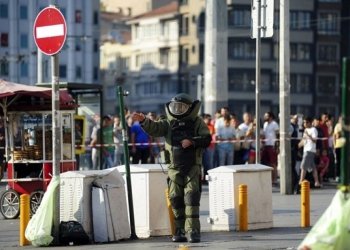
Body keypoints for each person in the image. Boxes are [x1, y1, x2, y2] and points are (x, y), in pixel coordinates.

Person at [132, 93, 211, 243]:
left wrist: (192, 142)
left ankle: (193, 231)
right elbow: (155, 129)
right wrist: (144, 121)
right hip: (174, 168)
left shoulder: (197, 122)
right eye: (176, 107)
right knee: (175, 199)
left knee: (191, 198)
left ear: (189, 108)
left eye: (182, 107)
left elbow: (206, 139)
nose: (178, 110)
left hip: (192, 167)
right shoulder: (168, 122)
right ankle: (179, 230)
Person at [298, 117, 321, 188]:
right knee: (313, 167)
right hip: (306, 149)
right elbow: (304, 140)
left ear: (310, 123)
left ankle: (301, 181)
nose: (304, 124)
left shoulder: (313, 130)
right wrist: (299, 145)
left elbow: (315, 140)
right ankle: (317, 182)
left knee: (303, 166)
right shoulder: (306, 130)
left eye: (306, 122)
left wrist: (308, 135)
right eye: (304, 122)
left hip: (310, 150)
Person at [261, 112, 279, 184]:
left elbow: (278, 135)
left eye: (266, 116)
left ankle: (274, 179)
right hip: (266, 145)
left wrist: (277, 145)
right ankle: (269, 179)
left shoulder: (274, 124)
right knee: (266, 163)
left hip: (272, 145)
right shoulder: (265, 124)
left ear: (270, 117)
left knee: (273, 163)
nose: (265, 117)